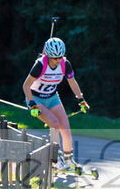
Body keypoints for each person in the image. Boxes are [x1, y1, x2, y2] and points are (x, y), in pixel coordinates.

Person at [22, 37, 90, 170]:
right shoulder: (40, 65)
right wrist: (32, 104)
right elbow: (26, 86)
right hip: (36, 99)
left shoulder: (65, 64)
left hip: (52, 97)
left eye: (60, 56)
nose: (58, 60)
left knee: (65, 127)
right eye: (55, 58)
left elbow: (72, 82)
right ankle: (56, 159)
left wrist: (81, 100)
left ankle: (68, 158)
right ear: (48, 55)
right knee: (54, 123)